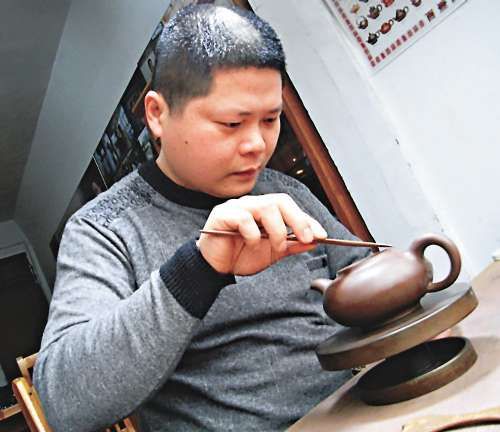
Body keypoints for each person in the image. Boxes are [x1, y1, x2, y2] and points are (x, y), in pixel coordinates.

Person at [34, 4, 370, 432]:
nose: (257, 144)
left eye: (271, 119)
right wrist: (200, 268)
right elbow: (66, 403)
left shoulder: (282, 190)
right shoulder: (104, 229)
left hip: (364, 410)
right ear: (157, 115)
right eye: (231, 123)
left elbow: (361, 272)